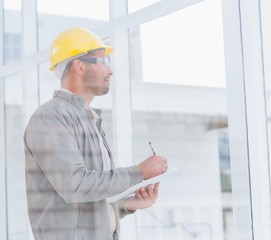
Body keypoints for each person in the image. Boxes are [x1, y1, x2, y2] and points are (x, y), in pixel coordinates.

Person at [24, 27, 168, 240]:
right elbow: (74, 185)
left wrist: (127, 204)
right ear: (79, 66)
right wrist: (138, 172)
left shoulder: (89, 120)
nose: (110, 71)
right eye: (102, 62)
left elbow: (87, 207)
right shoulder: (50, 117)